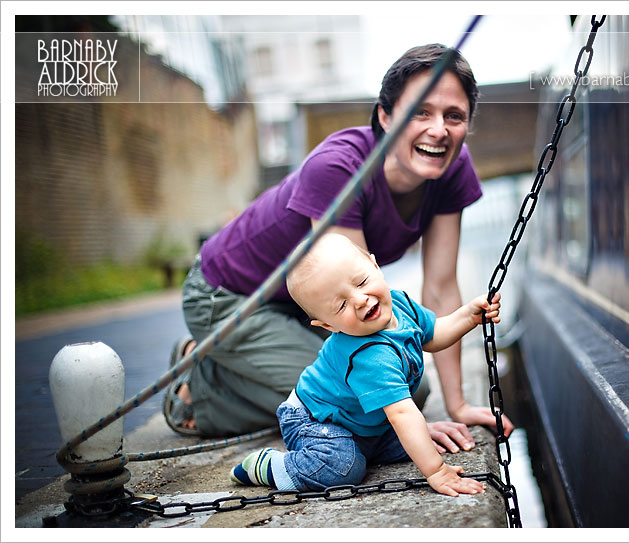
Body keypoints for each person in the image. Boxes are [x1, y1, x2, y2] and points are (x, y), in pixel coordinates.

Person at [163, 43, 514, 451]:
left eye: (454, 116)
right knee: (377, 395)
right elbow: (358, 321)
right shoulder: (339, 168)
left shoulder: (452, 168)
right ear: (385, 116)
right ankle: (201, 389)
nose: (439, 129)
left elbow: (439, 286)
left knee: (397, 386)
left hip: (305, 306)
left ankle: (234, 358)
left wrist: (457, 405)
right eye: (421, 111)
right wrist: (409, 424)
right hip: (227, 295)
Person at [229, 233, 501, 496]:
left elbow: (434, 334)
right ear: (327, 325)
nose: (360, 300)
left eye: (360, 282)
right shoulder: (368, 355)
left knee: (411, 441)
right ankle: (270, 465)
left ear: (374, 265)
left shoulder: (400, 304)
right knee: (342, 468)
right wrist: (437, 471)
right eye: (341, 306)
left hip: (360, 420)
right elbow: (402, 414)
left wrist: (468, 316)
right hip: (314, 421)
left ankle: (372, 443)